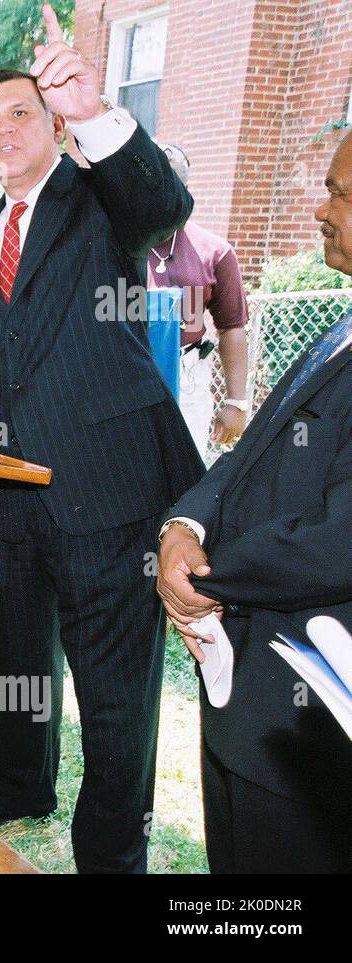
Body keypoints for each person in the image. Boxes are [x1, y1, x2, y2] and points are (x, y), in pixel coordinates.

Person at [0, 3, 203, 873]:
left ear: (54, 120)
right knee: (22, 672)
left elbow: (161, 201)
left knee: (114, 707)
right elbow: (0, 350)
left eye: (21, 112)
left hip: (108, 494)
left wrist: (96, 109)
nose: (1, 130)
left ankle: (111, 860)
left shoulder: (97, 196)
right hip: (14, 500)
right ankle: (24, 780)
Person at [157, 130, 352, 873]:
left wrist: (203, 577)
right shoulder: (340, 326)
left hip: (311, 734)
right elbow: (253, 453)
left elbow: (340, 537)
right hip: (247, 719)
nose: (320, 210)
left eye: (339, 193)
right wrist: (184, 525)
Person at [146, 144, 250, 458]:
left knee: (183, 473)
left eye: (173, 184)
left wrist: (236, 401)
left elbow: (232, 326)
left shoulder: (215, 251)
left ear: (186, 191)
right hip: (125, 375)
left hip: (187, 376)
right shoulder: (112, 247)